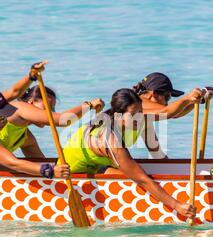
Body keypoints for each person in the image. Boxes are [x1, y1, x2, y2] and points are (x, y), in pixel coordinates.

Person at [62, 88, 197, 218]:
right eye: (133, 114)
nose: (139, 117)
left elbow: (169, 114)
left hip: (98, 167)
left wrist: (192, 100)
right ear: (118, 115)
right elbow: (142, 180)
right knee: (138, 176)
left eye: (140, 111)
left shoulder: (128, 120)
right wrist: (176, 205)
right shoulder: (109, 140)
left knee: (139, 172)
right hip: (70, 174)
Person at [0, 84, 105, 159]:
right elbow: (62, 120)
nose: (52, 112)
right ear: (30, 102)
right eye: (48, 107)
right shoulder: (18, 108)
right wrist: (88, 106)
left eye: (53, 109)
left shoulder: (26, 139)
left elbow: (42, 164)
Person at [131, 72, 213, 158]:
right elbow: (170, 113)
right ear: (154, 93)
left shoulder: (146, 118)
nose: (167, 103)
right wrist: (189, 98)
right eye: (167, 98)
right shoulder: (138, 103)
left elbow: (158, 155)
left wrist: (199, 101)